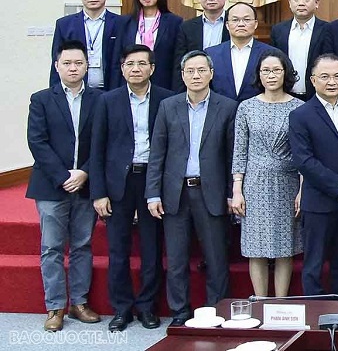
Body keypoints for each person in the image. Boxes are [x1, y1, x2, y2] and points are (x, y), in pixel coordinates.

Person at [146, 50, 238, 327]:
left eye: (201, 70)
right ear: (183, 75)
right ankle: (180, 312)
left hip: (212, 192)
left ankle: (216, 311)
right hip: (175, 193)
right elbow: (157, 153)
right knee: (176, 259)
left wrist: (232, 192)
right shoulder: (168, 106)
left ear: (211, 74)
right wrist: (153, 193)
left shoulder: (227, 107)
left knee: (216, 258)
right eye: (190, 71)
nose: (196, 76)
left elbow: (233, 156)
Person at [90, 44, 168, 331]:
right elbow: (96, 150)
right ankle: (121, 309)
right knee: (118, 250)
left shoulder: (166, 99)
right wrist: (99, 193)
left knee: (151, 249)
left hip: (152, 180)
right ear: (122, 69)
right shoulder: (107, 101)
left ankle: (147, 307)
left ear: (152, 68)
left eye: (142, 64)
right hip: (118, 184)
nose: (136, 69)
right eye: (130, 64)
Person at [27, 40, 102, 332]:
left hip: (86, 183)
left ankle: (79, 303)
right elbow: (37, 142)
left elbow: (104, 142)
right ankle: (55, 307)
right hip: (51, 186)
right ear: (56, 65)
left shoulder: (100, 99)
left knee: (82, 245)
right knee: (52, 247)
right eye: (67, 63)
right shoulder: (41, 99)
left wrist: (84, 172)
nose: (73, 68)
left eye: (78, 63)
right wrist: (63, 176)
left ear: (87, 66)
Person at [288, 54, 338, 298]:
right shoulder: (300, 115)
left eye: (337, 76)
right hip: (318, 202)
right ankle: (315, 312)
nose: (332, 81)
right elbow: (304, 160)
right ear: (313, 80)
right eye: (325, 76)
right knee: (314, 265)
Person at [230, 53, 304, 297]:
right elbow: (240, 151)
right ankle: (260, 302)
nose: (271, 76)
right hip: (254, 184)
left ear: (286, 73)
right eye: (266, 71)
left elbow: (303, 154)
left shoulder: (298, 107)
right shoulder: (246, 107)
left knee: (285, 247)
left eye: (276, 70)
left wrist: (302, 190)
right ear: (258, 75)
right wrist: (237, 189)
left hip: (287, 182)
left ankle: (280, 304)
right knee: (256, 248)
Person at [50, 0, 122, 91]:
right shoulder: (64, 24)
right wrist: (55, 93)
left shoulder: (121, 23)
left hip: (112, 89)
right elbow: (57, 61)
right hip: (76, 90)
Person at [119, 0, 183, 92]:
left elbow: (177, 61)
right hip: (131, 84)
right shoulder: (125, 22)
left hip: (163, 85)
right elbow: (118, 57)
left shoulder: (174, 22)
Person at [206, 2, 282, 102]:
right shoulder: (211, 54)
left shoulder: (271, 54)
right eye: (235, 20)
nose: (241, 24)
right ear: (227, 25)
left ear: (255, 24)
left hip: (257, 109)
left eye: (246, 19)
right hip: (220, 109)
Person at [270, 0, 330, 100]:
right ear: (289, 2)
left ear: (317, 2)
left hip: (317, 95)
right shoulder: (278, 30)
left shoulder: (327, 30)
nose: (301, 3)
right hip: (285, 95)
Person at [171, 0, 229, 90]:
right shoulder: (187, 27)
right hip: (195, 84)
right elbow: (179, 63)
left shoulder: (233, 23)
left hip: (226, 86)